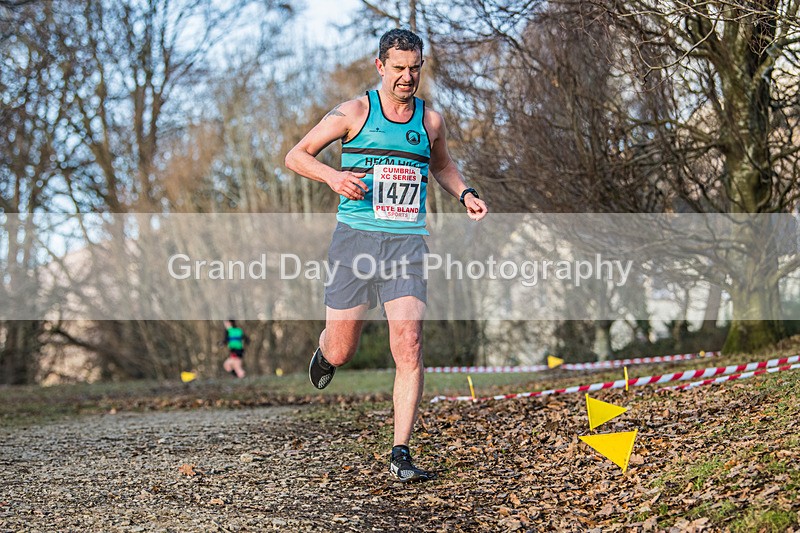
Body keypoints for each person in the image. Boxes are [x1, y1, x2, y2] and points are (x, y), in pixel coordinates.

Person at [284, 28, 488, 483]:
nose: (407, 77)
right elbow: (296, 156)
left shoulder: (430, 122)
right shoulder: (354, 112)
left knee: (410, 345)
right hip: (355, 241)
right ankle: (325, 351)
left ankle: (401, 451)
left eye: (415, 68)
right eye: (398, 68)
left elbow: (442, 165)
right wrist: (334, 178)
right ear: (381, 67)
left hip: (406, 245)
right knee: (342, 349)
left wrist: (465, 192)